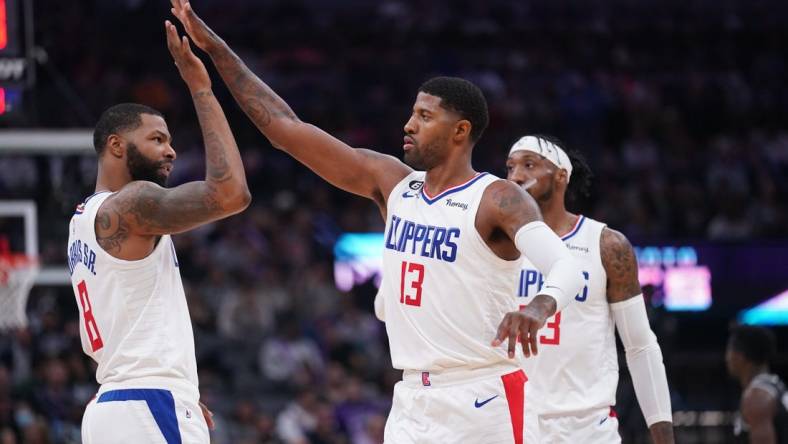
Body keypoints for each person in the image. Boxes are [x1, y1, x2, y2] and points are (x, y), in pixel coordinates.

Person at [168, 2, 585, 442]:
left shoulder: (497, 197)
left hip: (484, 396)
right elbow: (285, 129)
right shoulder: (393, 184)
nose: (409, 125)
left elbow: (565, 265)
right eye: (412, 113)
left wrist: (539, 307)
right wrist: (217, 51)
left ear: (460, 131)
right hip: (411, 398)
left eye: (425, 117)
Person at [66, 21, 250, 444]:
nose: (170, 150)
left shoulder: (81, 221)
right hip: (149, 403)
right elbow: (231, 194)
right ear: (116, 145)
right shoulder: (132, 204)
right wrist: (201, 87)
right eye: (156, 139)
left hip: (111, 406)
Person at [506, 135, 674, 443]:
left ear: (561, 176)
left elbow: (640, 346)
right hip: (510, 419)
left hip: (586, 425)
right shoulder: (496, 246)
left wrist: (663, 434)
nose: (515, 176)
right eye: (510, 167)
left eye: (529, 165)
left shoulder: (606, 245)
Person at [726, 325, 788, 443]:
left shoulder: (757, 397)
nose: (727, 358)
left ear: (739, 356)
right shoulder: (775, 385)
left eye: (729, 350)